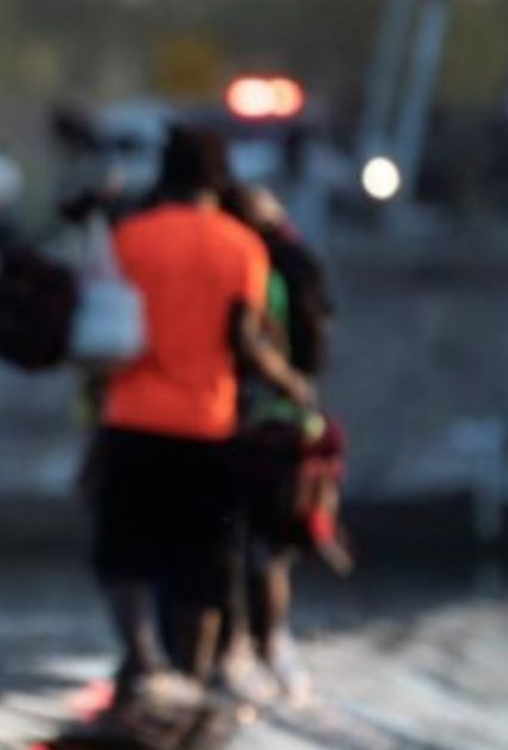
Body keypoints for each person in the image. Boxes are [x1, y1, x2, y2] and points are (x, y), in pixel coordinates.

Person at [88, 129, 316, 711]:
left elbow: (102, 327)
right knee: (202, 558)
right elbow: (245, 339)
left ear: (163, 176)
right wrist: (290, 381)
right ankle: (191, 673)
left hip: (130, 418)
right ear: (217, 179)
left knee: (124, 553)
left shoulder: (129, 237)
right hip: (207, 423)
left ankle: (140, 661)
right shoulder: (240, 245)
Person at [218, 184, 335, 703]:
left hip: (235, 420)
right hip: (284, 424)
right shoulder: (291, 262)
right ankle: (273, 649)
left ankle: (241, 651)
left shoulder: (244, 266)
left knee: (233, 543)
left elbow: (248, 341)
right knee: (269, 550)